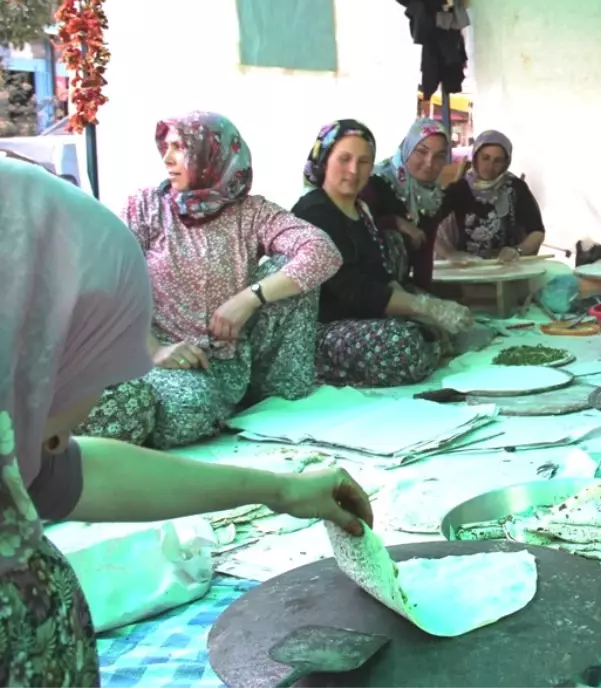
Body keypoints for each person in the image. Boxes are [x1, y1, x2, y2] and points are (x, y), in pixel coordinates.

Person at [0, 158, 373, 684]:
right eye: (92, 360)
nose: (101, 391)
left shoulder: (15, 452)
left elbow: (71, 473)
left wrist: (282, 490)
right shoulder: (147, 208)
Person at [76, 112, 341, 449]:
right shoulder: (146, 207)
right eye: (166, 147)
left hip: (229, 358)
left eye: (180, 148)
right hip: (161, 357)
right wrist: (153, 349)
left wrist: (248, 298)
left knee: (291, 270)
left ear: (213, 155)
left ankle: (270, 394)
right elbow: (102, 277)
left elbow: (322, 251)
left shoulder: (251, 212)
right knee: (185, 408)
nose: (168, 158)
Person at [292, 120, 474, 387]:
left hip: (363, 318)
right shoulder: (314, 211)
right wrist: (423, 307)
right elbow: (355, 288)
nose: (354, 170)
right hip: (322, 330)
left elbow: (381, 274)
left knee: (437, 331)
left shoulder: (361, 210)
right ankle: (324, 369)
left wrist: (425, 308)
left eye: (364, 161)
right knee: (405, 346)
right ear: (324, 160)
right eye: (344, 159)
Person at [361, 117, 475, 290]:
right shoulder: (375, 182)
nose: (430, 163)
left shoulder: (433, 198)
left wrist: (424, 297)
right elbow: (356, 228)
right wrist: (396, 222)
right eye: (421, 152)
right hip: (363, 288)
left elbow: (425, 255)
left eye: (439, 156)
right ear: (408, 148)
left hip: (400, 291)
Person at [434, 129, 546, 262]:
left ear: (506, 163)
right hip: (468, 268)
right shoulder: (460, 188)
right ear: (475, 156)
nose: (490, 166)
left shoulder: (515, 188)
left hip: (506, 268)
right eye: (485, 158)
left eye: (498, 161)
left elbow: (537, 232)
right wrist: (450, 254)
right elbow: (427, 225)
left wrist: (518, 250)